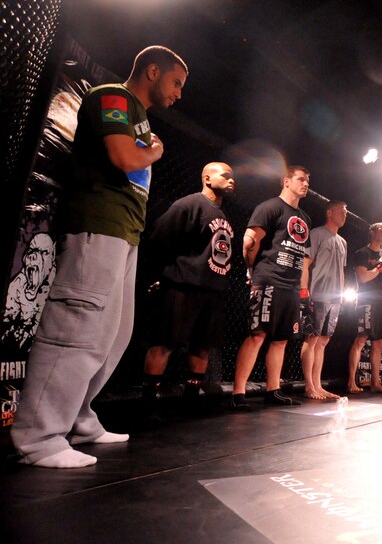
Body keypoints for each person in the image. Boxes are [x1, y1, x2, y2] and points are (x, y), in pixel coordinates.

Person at [11, 46, 188, 468]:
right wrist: (155, 152)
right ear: (151, 71)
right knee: (77, 329)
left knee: (113, 336)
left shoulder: (139, 118)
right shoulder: (113, 96)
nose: (180, 93)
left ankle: (78, 418)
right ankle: (38, 438)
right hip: (98, 225)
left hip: (124, 232)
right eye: (176, 82)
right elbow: (125, 158)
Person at [141, 162, 236, 415]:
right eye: (225, 175)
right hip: (183, 286)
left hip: (212, 290)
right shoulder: (188, 205)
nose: (231, 180)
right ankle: (149, 402)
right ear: (207, 178)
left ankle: (191, 401)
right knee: (165, 342)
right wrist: (164, 274)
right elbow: (159, 238)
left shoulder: (223, 215)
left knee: (202, 345)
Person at [229, 165, 312, 410]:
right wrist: (252, 270)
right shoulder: (270, 207)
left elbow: (304, 258)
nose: (305, 184)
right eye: (300, 179)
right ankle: (238, 392)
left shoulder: (305, 218)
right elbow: (250, 241)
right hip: (269, 279)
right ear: (286, 181)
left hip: (291, 285)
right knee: (258, 335)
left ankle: (272, 390)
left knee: (281, 339)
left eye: (307, 181)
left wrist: (303, 288)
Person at [300, 200, 348, 400]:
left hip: (335, 298)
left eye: (346, 212)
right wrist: (304, 290)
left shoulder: (343, 241)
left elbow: (342, 271)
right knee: (311, 339)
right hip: (318, 294)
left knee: (323, 341)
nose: (345, 215)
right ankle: (308, 385)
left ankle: (318, 385)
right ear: (330, 212)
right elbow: (305, 262)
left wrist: (342, 295)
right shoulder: (317, 233)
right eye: (342, 211)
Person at [346, 222, 382, 394]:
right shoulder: (362, 253)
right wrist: (378, 268)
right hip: (367, 300)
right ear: (372, 232)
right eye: (381, 230)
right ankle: (351, 382)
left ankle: (376, 382)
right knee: (361, 339)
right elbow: (362, 278)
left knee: (379, 342)